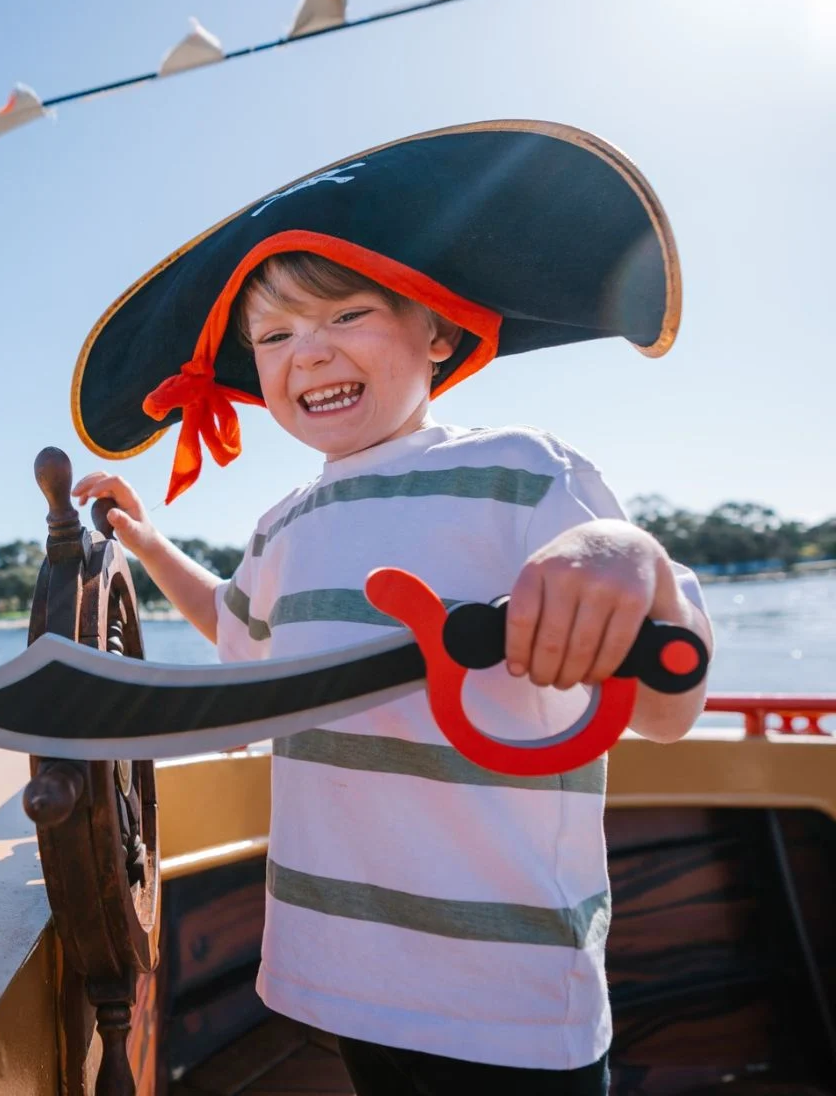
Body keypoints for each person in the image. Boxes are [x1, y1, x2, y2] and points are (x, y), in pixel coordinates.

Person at [68, 122, 713, 1095]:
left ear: (439, 333)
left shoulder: (527, 471)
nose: (308, 354)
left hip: (514, 994)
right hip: (347, 975)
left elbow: (669, 711)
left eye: (347, 315)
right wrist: (150, 543)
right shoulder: (284, 524)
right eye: (275, 337)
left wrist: (624, 557)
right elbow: (244, 641)